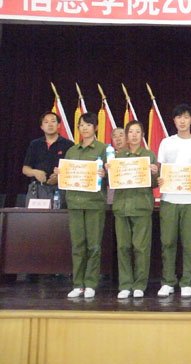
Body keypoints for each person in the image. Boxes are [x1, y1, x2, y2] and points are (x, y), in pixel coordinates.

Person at [156, 104, 191, 298]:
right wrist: (159, 179)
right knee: (168, 241)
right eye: (179, 117)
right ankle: (168, 281)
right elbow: (160, 168)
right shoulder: (166, 143)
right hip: (169, 198)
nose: (182, 121)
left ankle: (186, 281)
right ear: (174, 120)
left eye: (186, 117)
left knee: (189, 243)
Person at [56, 112, 107, 298]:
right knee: (78, 245)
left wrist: (105, 174)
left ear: (96, 127)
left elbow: (114, 175)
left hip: (95, 203)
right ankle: (78, 284)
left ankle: (91, 283)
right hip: (75, 202)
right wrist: (60, 173)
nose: (84, 128)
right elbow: (67, 175)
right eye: (81, 125)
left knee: (94, 245)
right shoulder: (72, 151)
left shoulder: (104, 149)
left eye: (88, 125)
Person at [109, 120, 158, 299]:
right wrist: (108, 171)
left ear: (142, 135)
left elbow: (154, 184)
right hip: (121, 206)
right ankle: (125, 284)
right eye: (131, 132)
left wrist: (155, 173)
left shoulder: (149, 155)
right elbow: (111, 181)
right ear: (126, 136)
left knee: (141, 248)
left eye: (138, 132)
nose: (134, 135)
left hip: (142, 206)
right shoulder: (118, 157)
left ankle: (139, 285)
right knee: (123, 247)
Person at [22, 111, 74, 205]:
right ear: (41, 127)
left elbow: (73, 170)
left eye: (53, 121)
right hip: (37, 189)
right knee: (34, 215)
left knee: (59, 214)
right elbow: (25, 169)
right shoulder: (35, 144)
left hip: (60, 189)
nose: (50, 124)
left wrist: (60, 177)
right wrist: (35, 172)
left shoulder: (69, 145)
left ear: (59, 125)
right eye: (46, 122)